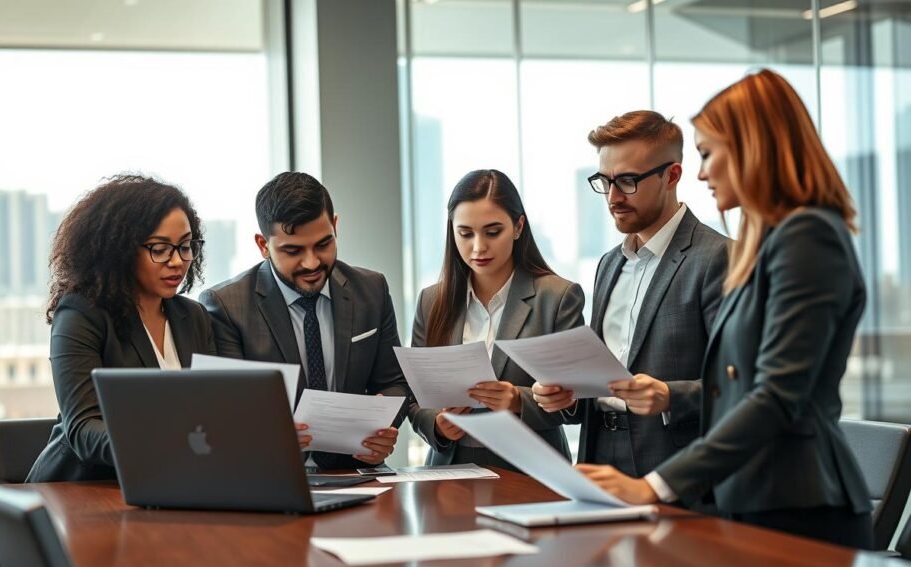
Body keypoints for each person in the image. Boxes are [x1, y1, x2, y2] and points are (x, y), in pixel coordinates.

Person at [577, 70, 874, 549]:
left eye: (709, 154)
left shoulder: (808, 237)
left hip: (797, 509)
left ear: (755, 149)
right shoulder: (775, 241)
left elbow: (775, 395)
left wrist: (655, 484)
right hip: (752, 500)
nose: (700, 172)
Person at [531, 111, 729, 489]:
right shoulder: (609, 264)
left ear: (672, 176)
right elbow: (602, 375)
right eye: (604, 182)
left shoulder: (716, 258)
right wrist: (568, 395)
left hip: (674, 464)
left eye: (627, 181)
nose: (612, 197)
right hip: (598, 454)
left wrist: (670, 396)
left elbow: (738, 386)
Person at [200, 172, 409, 470]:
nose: (311, 263)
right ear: (263, 245)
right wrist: (268, 438)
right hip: (270, 475)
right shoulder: (226, 306)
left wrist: (381, 430)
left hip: (358, 471)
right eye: (293, 250)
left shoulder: (371, 289)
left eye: (323, 244)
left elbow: (393, 383)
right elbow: (225, 413)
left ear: (335, 226)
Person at [27, 175, 216, 483]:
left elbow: (214, 408)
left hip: (172, 483)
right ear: (121, 249)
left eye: (185, 246)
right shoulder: (80, 314)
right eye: (160, 249)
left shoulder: (193, 317)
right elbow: (83, 427)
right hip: (83, 490)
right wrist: (165, 446)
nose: (177, 261)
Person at [408, 169, 585, 470]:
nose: (478, 247)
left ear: (518, 227)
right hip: (449, 473)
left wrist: (518, 400)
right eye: (465, 233)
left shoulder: (556, 297)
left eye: (492, 232)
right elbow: (413, 394)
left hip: (533, 473)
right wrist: (436, 424)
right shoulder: (432, 300)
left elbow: (578, 403)